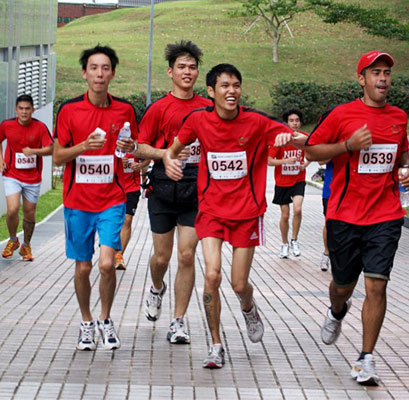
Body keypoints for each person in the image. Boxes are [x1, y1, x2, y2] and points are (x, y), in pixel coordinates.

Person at [163, 63, 303, 369]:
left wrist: (287, 138)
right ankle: (215, 344)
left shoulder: (256, 120)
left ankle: (248, 307)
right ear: (211, 91)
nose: (232, 91)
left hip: (246, 213)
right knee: (212, 275)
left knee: (239, 284)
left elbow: (301, 139)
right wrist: (170, 162)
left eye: (236, 85)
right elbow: (172, 149)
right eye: (225, 85)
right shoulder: (198, 120)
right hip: (211, 210)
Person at [304, 50, 409, 386]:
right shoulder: (343, 114)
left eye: (387, 73)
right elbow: (311, 150)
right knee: (342, 287)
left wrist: (407, 172)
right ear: (361, 79)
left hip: (385, 215)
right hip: (345, 216)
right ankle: (337, 310)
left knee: (377, 286)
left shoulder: (399, 117)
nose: (383, 79)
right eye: (375, 73)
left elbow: (403, 155)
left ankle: (366, 357)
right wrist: (347, 145)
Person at [53, 45, 138, 351]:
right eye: (93, 68)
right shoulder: (69, 110)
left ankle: (105, 319)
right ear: (84, 73)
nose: (99, 74)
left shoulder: (125, 110)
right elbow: (58, 157)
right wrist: (82, 147)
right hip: (78, 202)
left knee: (106, 264)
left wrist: (133, 154)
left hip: (111, 199)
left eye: (105, 68)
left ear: (112, 73)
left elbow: (130, 152)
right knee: (83, 268)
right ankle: (86, 322)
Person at [133, 40, 211, 344]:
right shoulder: (159, 109)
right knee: (162, 258)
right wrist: (165, 154)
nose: (188, 71)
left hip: (195, 189)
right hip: (163, 187)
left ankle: (178, 321)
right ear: (170, 72)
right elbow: (139, 147)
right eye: (182, 67)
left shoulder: (207, 106)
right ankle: (156, 288)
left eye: (192, 67)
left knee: (188, 255)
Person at [0, 94, 53, 261]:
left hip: (32, 178)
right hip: (12, 175)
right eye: (21, 109)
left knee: (30, 215)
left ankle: (26, 245)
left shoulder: (40, 127)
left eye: (27, 109)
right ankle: (13, 240)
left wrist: (34, 151)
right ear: (16, 110)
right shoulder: (6, 125)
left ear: (33, 110)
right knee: (13, 209)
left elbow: (50, 149)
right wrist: (0, 159)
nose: (24, 112)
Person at [268, 108, 309, 258]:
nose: (295, 123)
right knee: (285, 215)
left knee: (297, 209)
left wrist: (306, 163)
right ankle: (284, 244)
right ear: (286, 123)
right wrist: (285, 161)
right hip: (282, 182)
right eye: (291, 121)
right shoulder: (280, 139)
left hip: (298, 179)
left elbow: (314, 151)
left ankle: (294, 241)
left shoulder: (305, 138)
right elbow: (269, 161)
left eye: (297, 120)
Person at [114, 155, 150, 270]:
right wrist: (118, 163)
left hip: (132, 188)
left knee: (127, 219)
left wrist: (141, 166)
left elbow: (147, 158)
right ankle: (109, 248)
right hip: (113, 187)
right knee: (113, 221)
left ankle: (119, 256)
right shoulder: (111, 139)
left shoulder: (136, 141)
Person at [319, 161, 333, 271]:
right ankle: (326, 253)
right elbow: (321, 160)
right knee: (329, 223)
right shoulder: (335, 143)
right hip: (330, 190)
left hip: (352, 190)